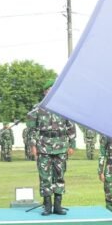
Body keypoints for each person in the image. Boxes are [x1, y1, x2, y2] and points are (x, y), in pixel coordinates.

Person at [29, 80, 76, 215]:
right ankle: (47, 206)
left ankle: (58, 205)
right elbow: (32, 129)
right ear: (45, 92)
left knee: (59, 175)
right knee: (45, 176)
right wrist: (33, 145)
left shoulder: (64, 108)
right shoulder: (37, 108)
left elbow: (71, 127)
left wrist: (72, 144)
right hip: (43, 146)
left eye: (53, 89)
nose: (51, 91)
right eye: (48, 89)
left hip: (61, 145)